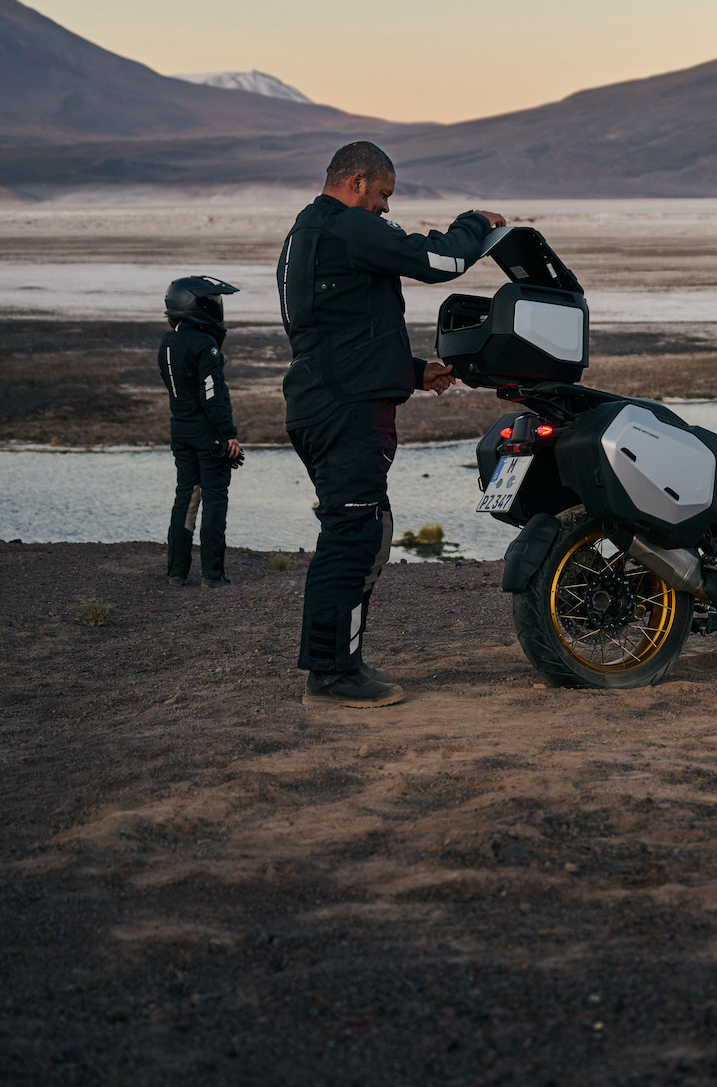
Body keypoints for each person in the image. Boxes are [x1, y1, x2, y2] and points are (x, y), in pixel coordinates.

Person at [278, 141, 504, 707]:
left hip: (328, 400)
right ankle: (332, 676)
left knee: (360, 533)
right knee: (353, 536)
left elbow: (334, 334)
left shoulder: (306, 233)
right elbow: (440, 262)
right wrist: (474, 223)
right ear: (356, 182)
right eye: (383, 196)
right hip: (344, 411)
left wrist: (409, 371)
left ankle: (338, 664)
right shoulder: (348, 227)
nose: (384, 209)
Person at [159, 275, 243, 587]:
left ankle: (176, 573)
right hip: (208, 434)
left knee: (186, 497)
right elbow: (212, 394)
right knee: (215, 499)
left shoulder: (168, 343)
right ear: (198, 306)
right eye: (212, 302)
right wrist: (228, 433)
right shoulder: (205, 345)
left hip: (179, 431)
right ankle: (213, 574)